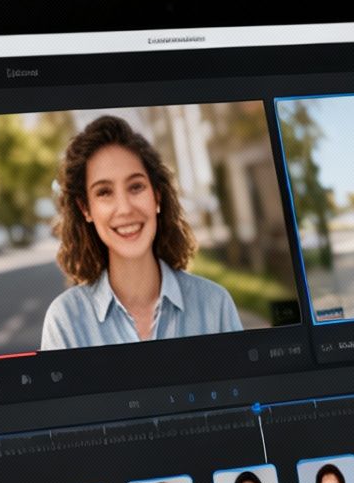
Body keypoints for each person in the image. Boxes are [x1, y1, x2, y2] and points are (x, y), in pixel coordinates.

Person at [39, 115, 243, 349]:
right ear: (86, 209)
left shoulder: (215, 305)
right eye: (104, 192)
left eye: (136, 187)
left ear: (156, 196)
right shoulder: (65, 321)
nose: (125, 208)